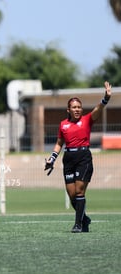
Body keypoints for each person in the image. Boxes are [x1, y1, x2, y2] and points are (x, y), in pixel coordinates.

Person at [45, 81, 112, 233]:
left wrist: (105, 98)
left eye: (79, 107)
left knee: (80, 191)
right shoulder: (63, 125)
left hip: (83, 157)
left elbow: (98, 109)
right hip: (68, 158)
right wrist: (52, 159)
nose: (77, 109)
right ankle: (85, 218)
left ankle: (78, 224)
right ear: (68, 110)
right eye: (74, 107)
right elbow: (59, 143)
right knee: (72, 195)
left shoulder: (87, 119)